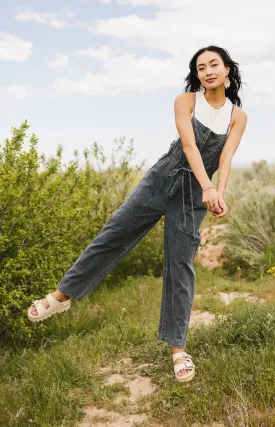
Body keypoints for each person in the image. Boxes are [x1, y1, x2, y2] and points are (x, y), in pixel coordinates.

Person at [27, 45, 247, 383]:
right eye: (201, 67)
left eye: (214, 64)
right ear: (197, 75)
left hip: (192, 197)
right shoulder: (185, 101)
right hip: (162, 180)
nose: (208, 71)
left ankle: (178, 348)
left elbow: (227, 157)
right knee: (115, 234)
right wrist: (209, 188)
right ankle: (62, 296)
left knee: (180, 265)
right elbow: (188, 147)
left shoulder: (238, 116)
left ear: (227, 70)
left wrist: (219, 191)